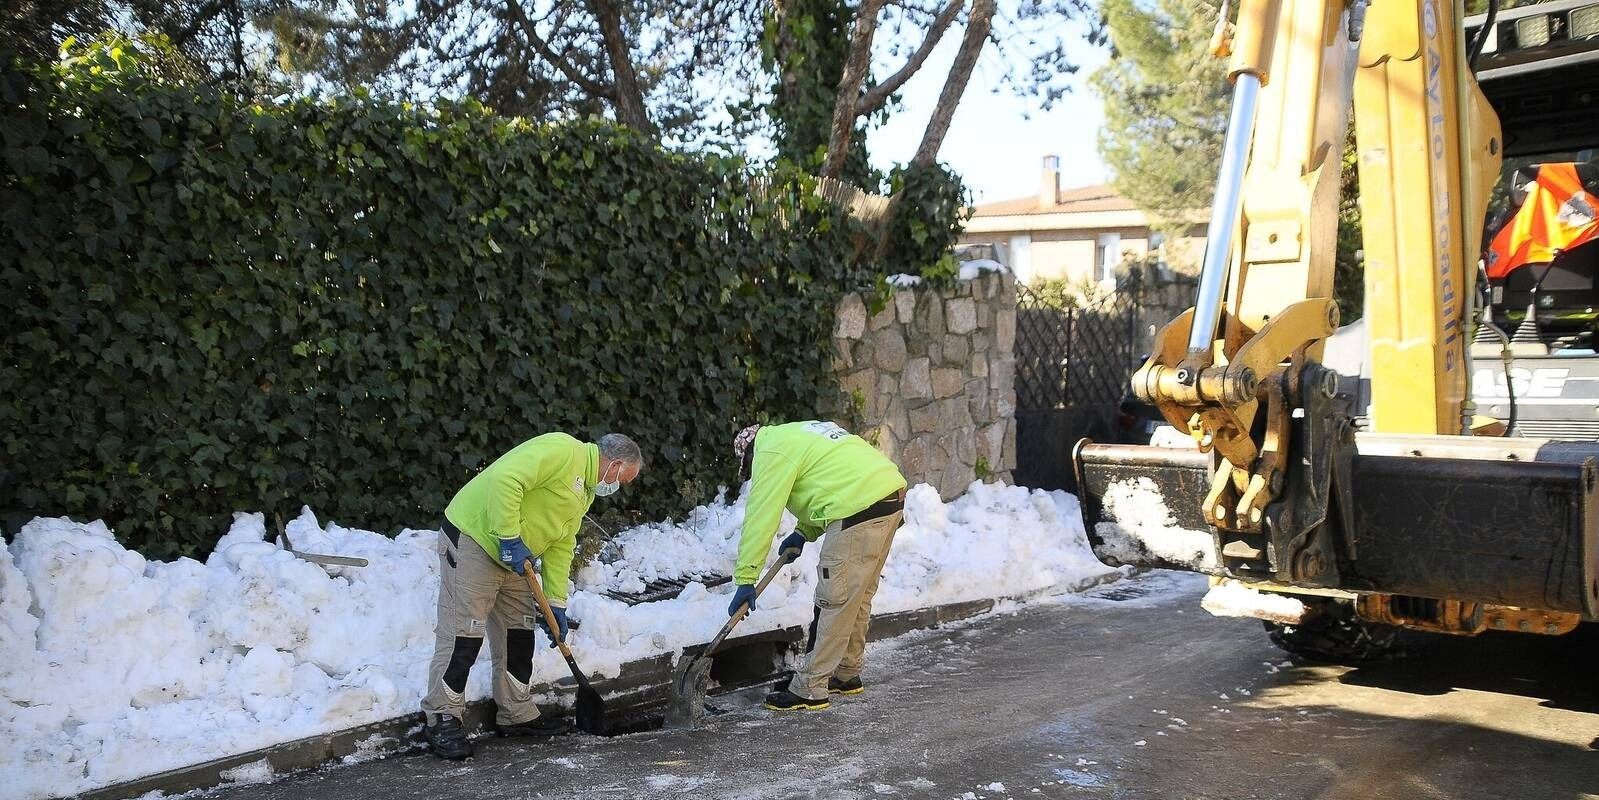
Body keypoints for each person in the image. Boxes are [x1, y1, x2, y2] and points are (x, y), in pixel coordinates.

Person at [421, 431, 643, 760]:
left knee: (519, 633)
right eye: (623, 480)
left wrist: (556, 605)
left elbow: (561, 544)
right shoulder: (563, 451)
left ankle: (515, 712)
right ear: (615, 464)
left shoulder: (585, 492)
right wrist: (509, 537)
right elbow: (505, 479)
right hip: (476, 539)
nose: (619, 487)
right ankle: (442, 716)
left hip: (513, 557)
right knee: (463, 635)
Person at [729, 420, 908, 711]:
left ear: (750, 454)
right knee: (856, 597)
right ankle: (845, 673)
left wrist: (746, 578)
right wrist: (803, 532)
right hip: (889, 496)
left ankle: (809, 687)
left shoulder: (770, 452)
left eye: (750, 469)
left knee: (833, 599)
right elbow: (830, 484)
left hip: (859, 510)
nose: (754, 474)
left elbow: (760, 517)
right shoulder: (797, 433)